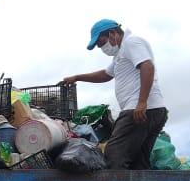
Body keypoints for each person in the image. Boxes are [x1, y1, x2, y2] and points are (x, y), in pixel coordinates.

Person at [61, 19, 168, 170]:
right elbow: (105, 75)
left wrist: (142, 102)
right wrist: (77, 77)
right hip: (152, 109)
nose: (101, 48)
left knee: (114, 154)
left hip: (139, 109)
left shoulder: (132, 42)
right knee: (138, 161)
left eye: (101, 43)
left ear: (112, 33)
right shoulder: (120, 53)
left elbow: (147, 66)